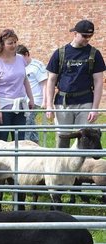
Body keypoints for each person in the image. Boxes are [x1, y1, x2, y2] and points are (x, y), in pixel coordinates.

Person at [45, 19, 105, 148]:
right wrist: (49, 105)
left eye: (90, 36)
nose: (87, 39)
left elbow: (99, 82)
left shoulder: (94, 54)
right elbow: (51, 80)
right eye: (84, 36)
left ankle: (83, 167)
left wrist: (95, 108)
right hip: (63, 102)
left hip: (85, 102)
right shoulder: (60, 53)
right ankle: (62, 166)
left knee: (85, 140)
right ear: (75, 33)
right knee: (63, 139)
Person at [0, 29, 34, 142]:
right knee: (1, 140)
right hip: (4, 107)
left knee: (20, 140)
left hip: (20, 106)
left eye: (15, 42)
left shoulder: (20, 59)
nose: (13, 45)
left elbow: (24, 79)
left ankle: (17, 159)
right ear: (2, 45)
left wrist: (31, 98)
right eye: (10, 43)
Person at [15, 45, 48, 144]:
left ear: (27, 54)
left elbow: (45, 84)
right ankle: (35, 146)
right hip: (23, 101)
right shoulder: (19, 65)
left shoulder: (37, 65)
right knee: (31, 125)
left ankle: (25, 146)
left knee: (26, 125)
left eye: (21, 58)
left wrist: (45, 101)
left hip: (35, 100)